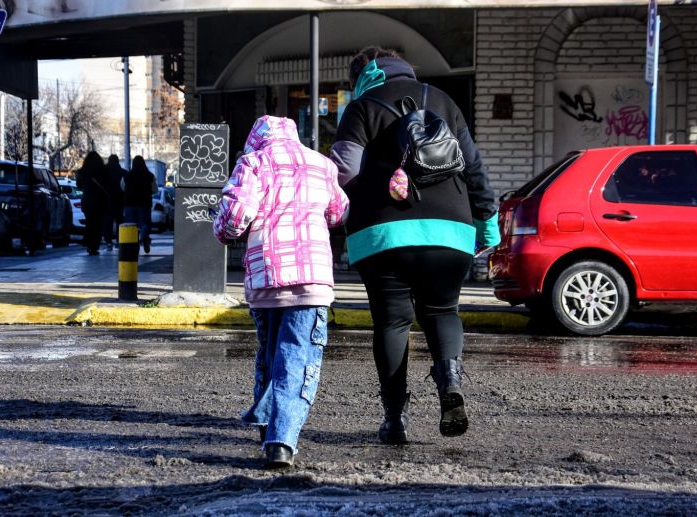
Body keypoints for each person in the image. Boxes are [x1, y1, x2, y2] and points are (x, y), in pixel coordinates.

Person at [330, 47, 500, 444]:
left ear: (361, 77)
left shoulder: (361, 107)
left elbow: (345, 172)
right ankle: (449, 382)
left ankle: (395, 419)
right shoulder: (441, 100)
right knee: (443, 310)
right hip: (451, 230)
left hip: (383, 234)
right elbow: (473, 166)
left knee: (392, 322)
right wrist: (487, 226)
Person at [214, 115, 349, 468]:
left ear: (256, 138)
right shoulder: (322, 164)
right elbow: (339, 212)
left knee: (272, 353)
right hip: (311, 278)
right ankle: (281, 440)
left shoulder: (253, 162)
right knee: (296, 357)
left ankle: (267, 425)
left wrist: (223, 232)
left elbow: (234, 217)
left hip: (266, 277)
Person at [76, 151, 109, 256]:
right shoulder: (103, 170)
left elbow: (79, 185)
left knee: (90, 222)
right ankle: (95, 246)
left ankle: (89, 244)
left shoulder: (82, 171)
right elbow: (107, 184)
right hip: (100, 200)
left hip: (87, 200)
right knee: (98, 224)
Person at [122, 156, 157, 254]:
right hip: (144, 203)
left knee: (132, 225)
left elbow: (122, 187)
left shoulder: (127, 176)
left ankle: (135, 242)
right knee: (145, 223)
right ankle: (143, 237)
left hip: (130, 204)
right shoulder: (150, 176)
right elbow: (154, 189)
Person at [104, 155, 127, 250]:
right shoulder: (123, 172)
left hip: (107, 200)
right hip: (120, 200)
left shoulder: (103, 172)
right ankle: (119, 240)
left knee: (108, 222)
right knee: (120, 221)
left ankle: (108, 241)